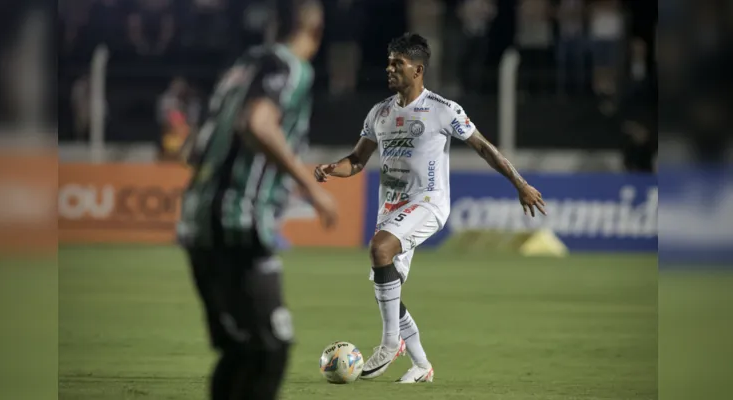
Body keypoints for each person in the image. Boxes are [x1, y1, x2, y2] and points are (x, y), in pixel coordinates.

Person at [314, 32, 547, 383]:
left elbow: (484, 147)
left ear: (418, 69)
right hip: (390, 209)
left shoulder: (443, 109)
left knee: (380, 249)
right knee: (387, 284)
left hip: (427, 202)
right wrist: (334, 168)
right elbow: (357, 160)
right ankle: (421, 364)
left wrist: (520, 183)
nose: (389, 69)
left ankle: (391, 343)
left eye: (398, 63)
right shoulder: (380, 112)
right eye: (389, 62)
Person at [176, 2, 335, 399]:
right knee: (269, 349)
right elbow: (259, 124)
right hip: (238, 221)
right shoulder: (292, 68)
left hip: (199, 220)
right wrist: (311, 187)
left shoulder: (242, 67)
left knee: (241, 351)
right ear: (315, 31)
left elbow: (195, 147)